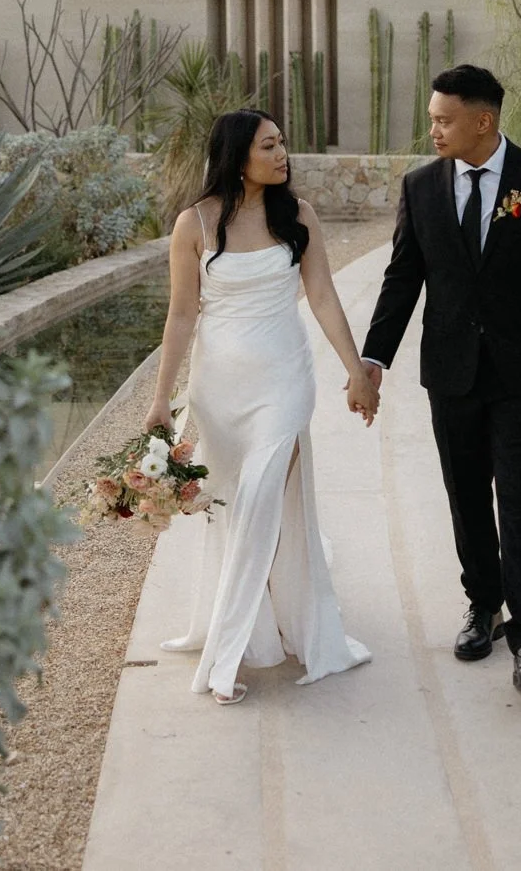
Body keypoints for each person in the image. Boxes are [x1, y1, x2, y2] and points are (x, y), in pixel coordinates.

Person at [354, 65, 521, 694]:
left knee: (519, 499)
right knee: (466, 497)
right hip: (451, 374)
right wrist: (372, 361)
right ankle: (482, 606)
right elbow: (403, 280)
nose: (433, 129)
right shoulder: (422, 186)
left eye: (443, 118)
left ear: (483, 120)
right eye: (432, 117)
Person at [144, 109, 374, 705]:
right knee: (233, 509)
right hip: (219, 390)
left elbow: (321, 295)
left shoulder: (298, 216)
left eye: (282, 144)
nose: (282, 154)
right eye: (269, 145)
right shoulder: (193, 224)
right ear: (237, 156)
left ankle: (225, 658)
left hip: (284, 380)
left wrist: (356, 371)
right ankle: (257, 624)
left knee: (259, 499)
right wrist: (161, 400)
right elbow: (181, 314)